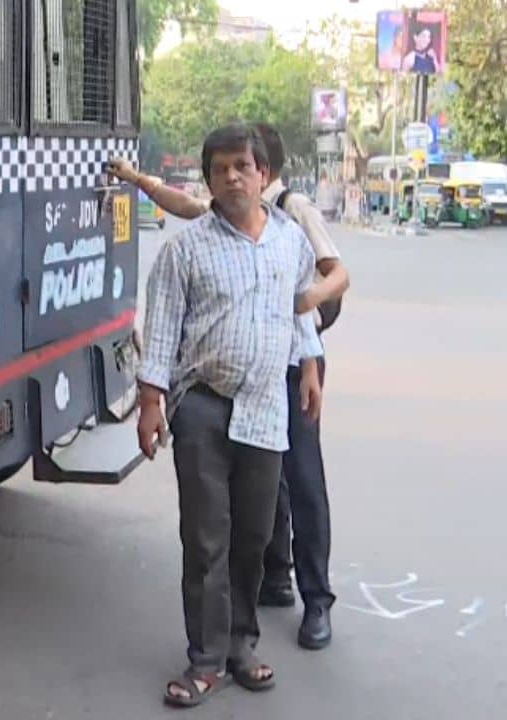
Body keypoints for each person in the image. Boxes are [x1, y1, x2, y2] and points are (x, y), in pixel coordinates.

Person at [110, 124, 349, 652]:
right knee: (208, 535)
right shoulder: (188, 247)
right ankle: (208, 655)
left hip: (272, 397)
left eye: (243, 166)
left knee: (268, 520)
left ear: (264, 173)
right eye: (221, 170)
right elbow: (163, 327)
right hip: (204, 402)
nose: (233, 177)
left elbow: (306, 295)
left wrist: (310, 362)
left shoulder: (291, 231)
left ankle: (274, 624)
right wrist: (150, 402)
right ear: (210, 181)